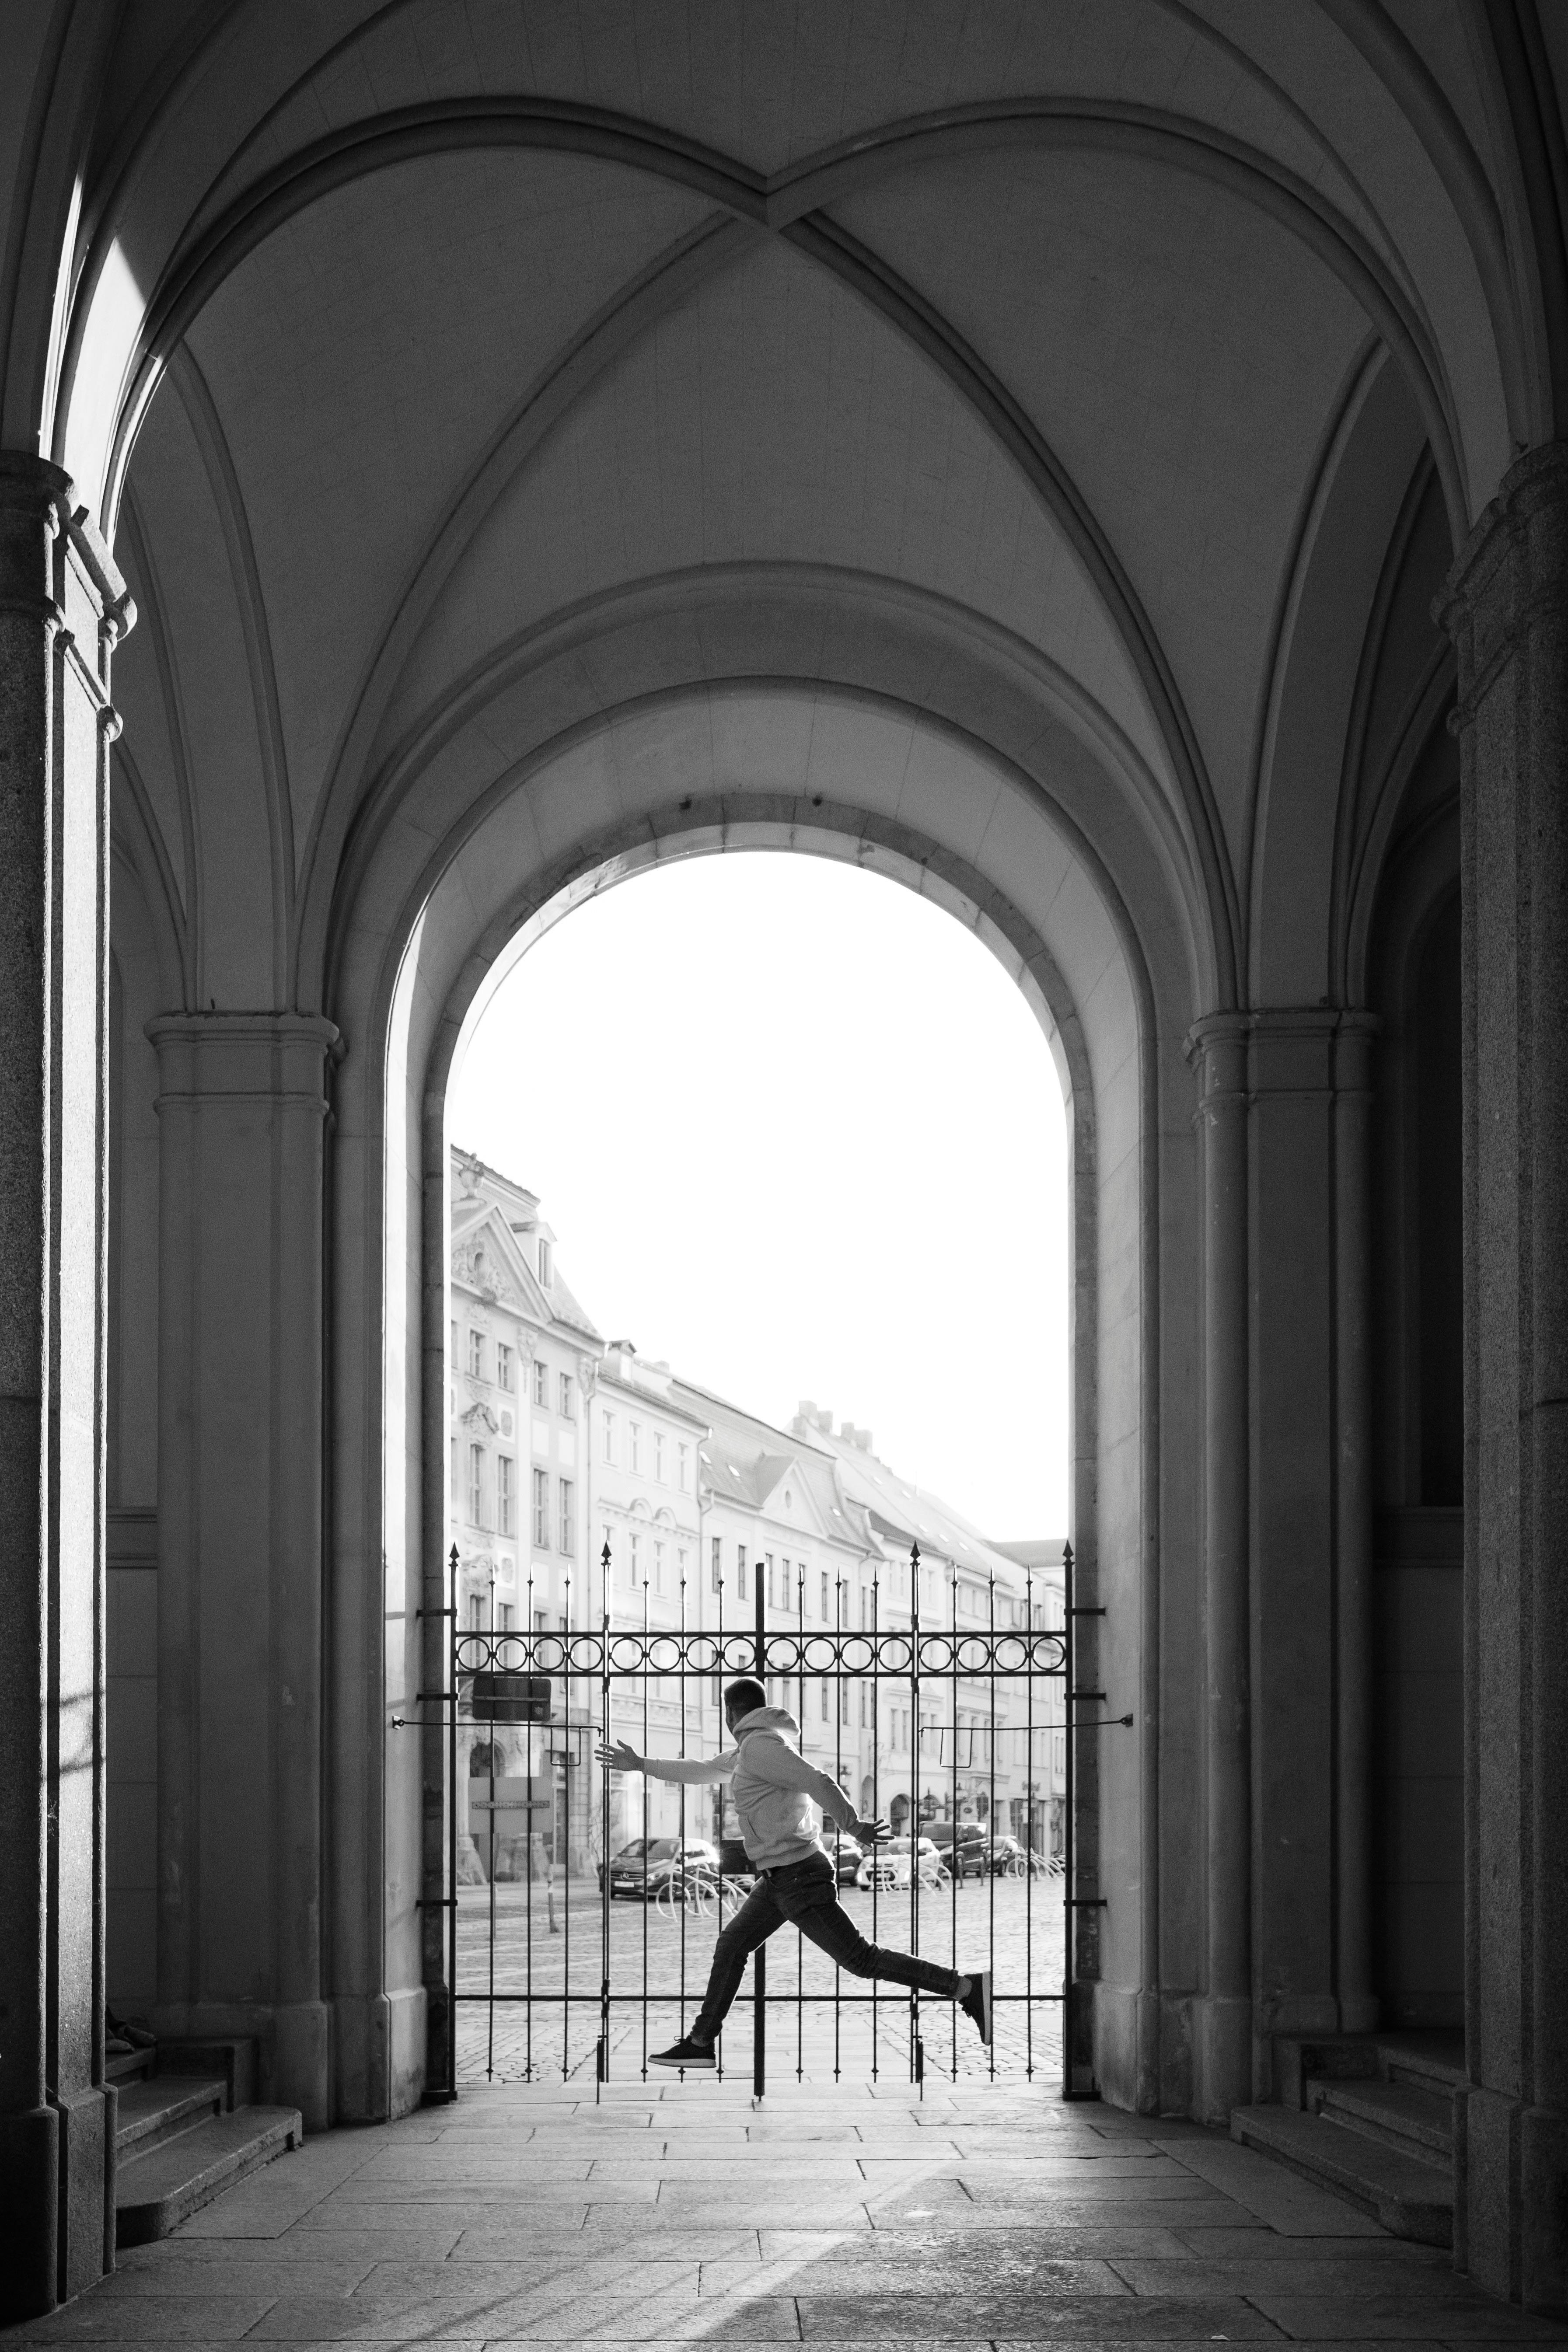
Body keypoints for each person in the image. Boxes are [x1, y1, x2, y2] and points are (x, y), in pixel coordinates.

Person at [595, 1676, 992, 2069]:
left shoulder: (761, 1748)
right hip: (778, 1878)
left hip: (798, 1875)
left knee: (861, 1960)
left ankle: (964, 1987)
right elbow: (702, 1769)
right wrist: (641, 1765)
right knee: (731, 1947)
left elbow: (816, 1780)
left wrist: (852, 1826)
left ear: (731, 1711)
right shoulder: (751, 1749)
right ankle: (701, 2042)